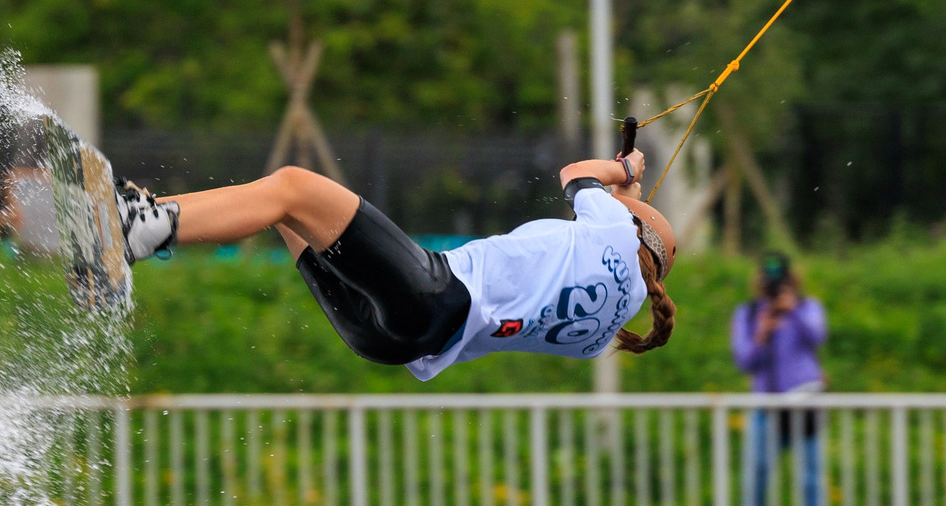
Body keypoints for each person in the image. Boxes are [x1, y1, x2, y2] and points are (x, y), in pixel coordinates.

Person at [112, 150, 677, 377]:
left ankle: (139, 226)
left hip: (432, 293)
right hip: (392, 342)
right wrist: (623, 201)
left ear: (634, 223)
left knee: (292, 187)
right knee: (286, 213)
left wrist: (624, 170)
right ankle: (139, 226)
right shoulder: (602, 333)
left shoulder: (612, 230)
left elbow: (575, 175)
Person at [729, 252, 829, 506]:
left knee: (811, 482)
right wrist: (762, 333)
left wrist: (792, 311)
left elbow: (818, 337)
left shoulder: (807, 307)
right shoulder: (748, 314)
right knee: (754, 481)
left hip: (804, 402)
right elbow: (744, 360)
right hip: (766, 408)